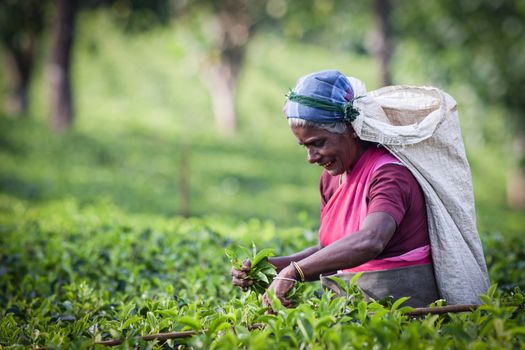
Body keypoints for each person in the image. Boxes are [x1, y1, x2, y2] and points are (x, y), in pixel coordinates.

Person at [231, 70, 489, 308]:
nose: (311, 157)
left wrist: (295, 272)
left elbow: (370, 241)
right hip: (350, 310)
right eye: (305, 147)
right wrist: (270, 268)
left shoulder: (390, 175)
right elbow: (330, 251)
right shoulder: (331, 179)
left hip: (405, 314)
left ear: (351, 130)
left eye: (318, 143)